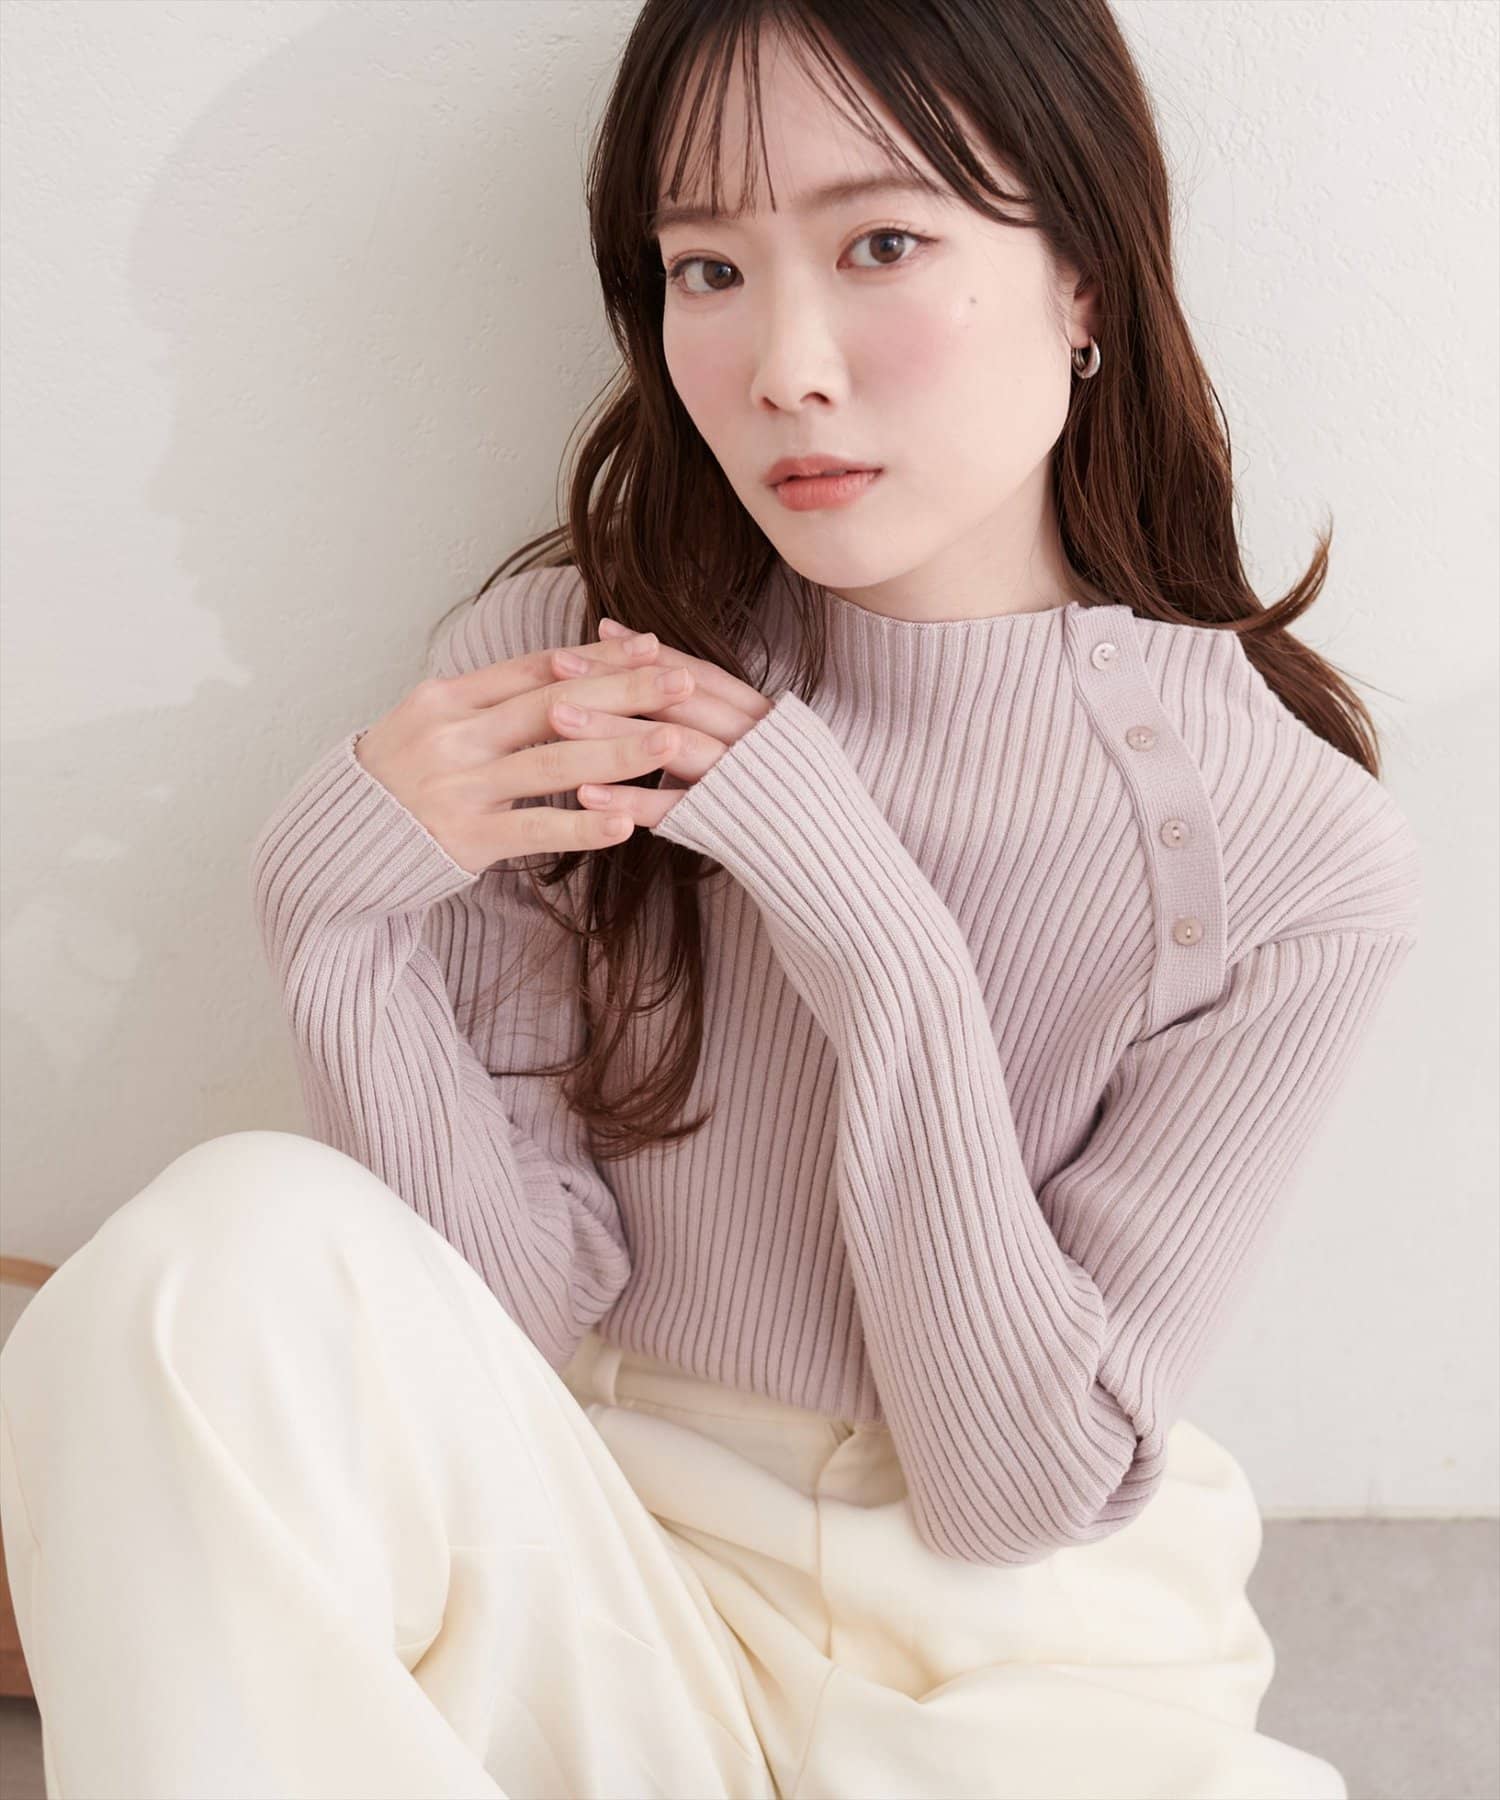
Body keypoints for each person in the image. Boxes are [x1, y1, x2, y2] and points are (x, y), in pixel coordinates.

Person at [0, 1, 1420, 1795]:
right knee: (207, 1254)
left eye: (882, 243)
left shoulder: (1286, 849)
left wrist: (869, 928)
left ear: (1084, 276)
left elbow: (1018, 1488)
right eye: (708, 270)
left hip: (1016, 1671)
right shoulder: (576, 680)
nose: (785, 367)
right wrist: (337, 919)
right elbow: (507, 1311)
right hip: (604, 1569)